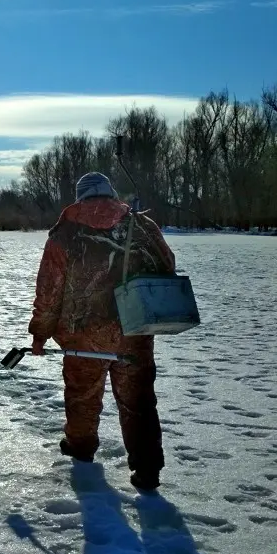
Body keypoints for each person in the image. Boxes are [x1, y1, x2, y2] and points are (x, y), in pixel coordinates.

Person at [27, 171, 176, 492]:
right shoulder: (142, 225)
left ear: (80, 197)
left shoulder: (64, 233)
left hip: (82, 333)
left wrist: (40, 333)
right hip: (134, 329)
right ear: (111, 193)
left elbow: (49, 290)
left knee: (81, 396)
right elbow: (168, 266)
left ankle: (81, 449)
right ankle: (147, 469)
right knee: (138, 402)